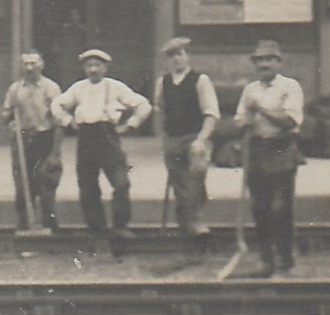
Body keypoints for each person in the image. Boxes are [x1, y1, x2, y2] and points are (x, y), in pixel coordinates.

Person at [50, 49, 151, 241]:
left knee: (121, 183)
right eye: (89, 66)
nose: (93, 70)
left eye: (98, 65)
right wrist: (67, 120)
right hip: (86, 138)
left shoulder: (116, 87)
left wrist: (131, 125)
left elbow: (143, 105)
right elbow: (57, 104)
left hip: (108, 138)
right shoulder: (78, 88)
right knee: (87, 185)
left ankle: (120, 225)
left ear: (105, 67)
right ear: (84, 68)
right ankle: (96, 228)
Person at [235, 39, 306, 278]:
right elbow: (240, 117)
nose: (264, 64)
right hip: (256, 150)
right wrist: (243, 122)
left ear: (278, 62)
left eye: (269, 59)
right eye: (259, 60)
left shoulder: (290, 87)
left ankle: (285, 258)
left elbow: (290, 121)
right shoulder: (250, 89)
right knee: (260, 208)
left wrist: (262, 109)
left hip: (281, 149)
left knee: (280, 208)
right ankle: (267, 260)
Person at [153, 37, 220, 248]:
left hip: (195, 137)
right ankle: (186, 226)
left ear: (188, 56)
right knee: (179, 182)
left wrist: (201, 140)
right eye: (171, 55)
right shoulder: (162, 82)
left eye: (180, 54)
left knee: (196, 176)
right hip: (173, 138)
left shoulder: (200, 80)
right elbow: (161, 108)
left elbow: (211, 114)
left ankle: (196, 220)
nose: (176, 59)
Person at [1, 50, 63, 232]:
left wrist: (55, 152)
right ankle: (24, 227)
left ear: (41, 64)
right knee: (23, 187)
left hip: (44, 138)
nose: (29, 68)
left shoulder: (51, 88)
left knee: (46, 186)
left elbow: (59, 121)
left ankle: (49, 228)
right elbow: (6, 113)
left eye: (33, 63)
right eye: (25, 64)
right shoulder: (15, 89)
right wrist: (9, 118)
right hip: (22, 140)